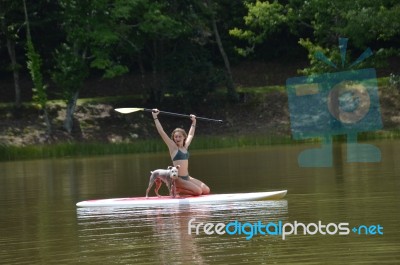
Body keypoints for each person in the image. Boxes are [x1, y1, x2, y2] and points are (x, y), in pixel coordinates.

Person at [152, 109, 210, 196]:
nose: (177, 139)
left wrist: (194, 121)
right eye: (175, 137)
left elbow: (190, 135)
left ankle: (180, 189)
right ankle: (177, 189)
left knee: (206, 190)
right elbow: (162, 132)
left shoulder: (185, 146)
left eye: (179, 137)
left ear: (183, 137)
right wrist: (155, 117)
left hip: (187, 177)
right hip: (178, 179)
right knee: (198, 192)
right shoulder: (173, 148)